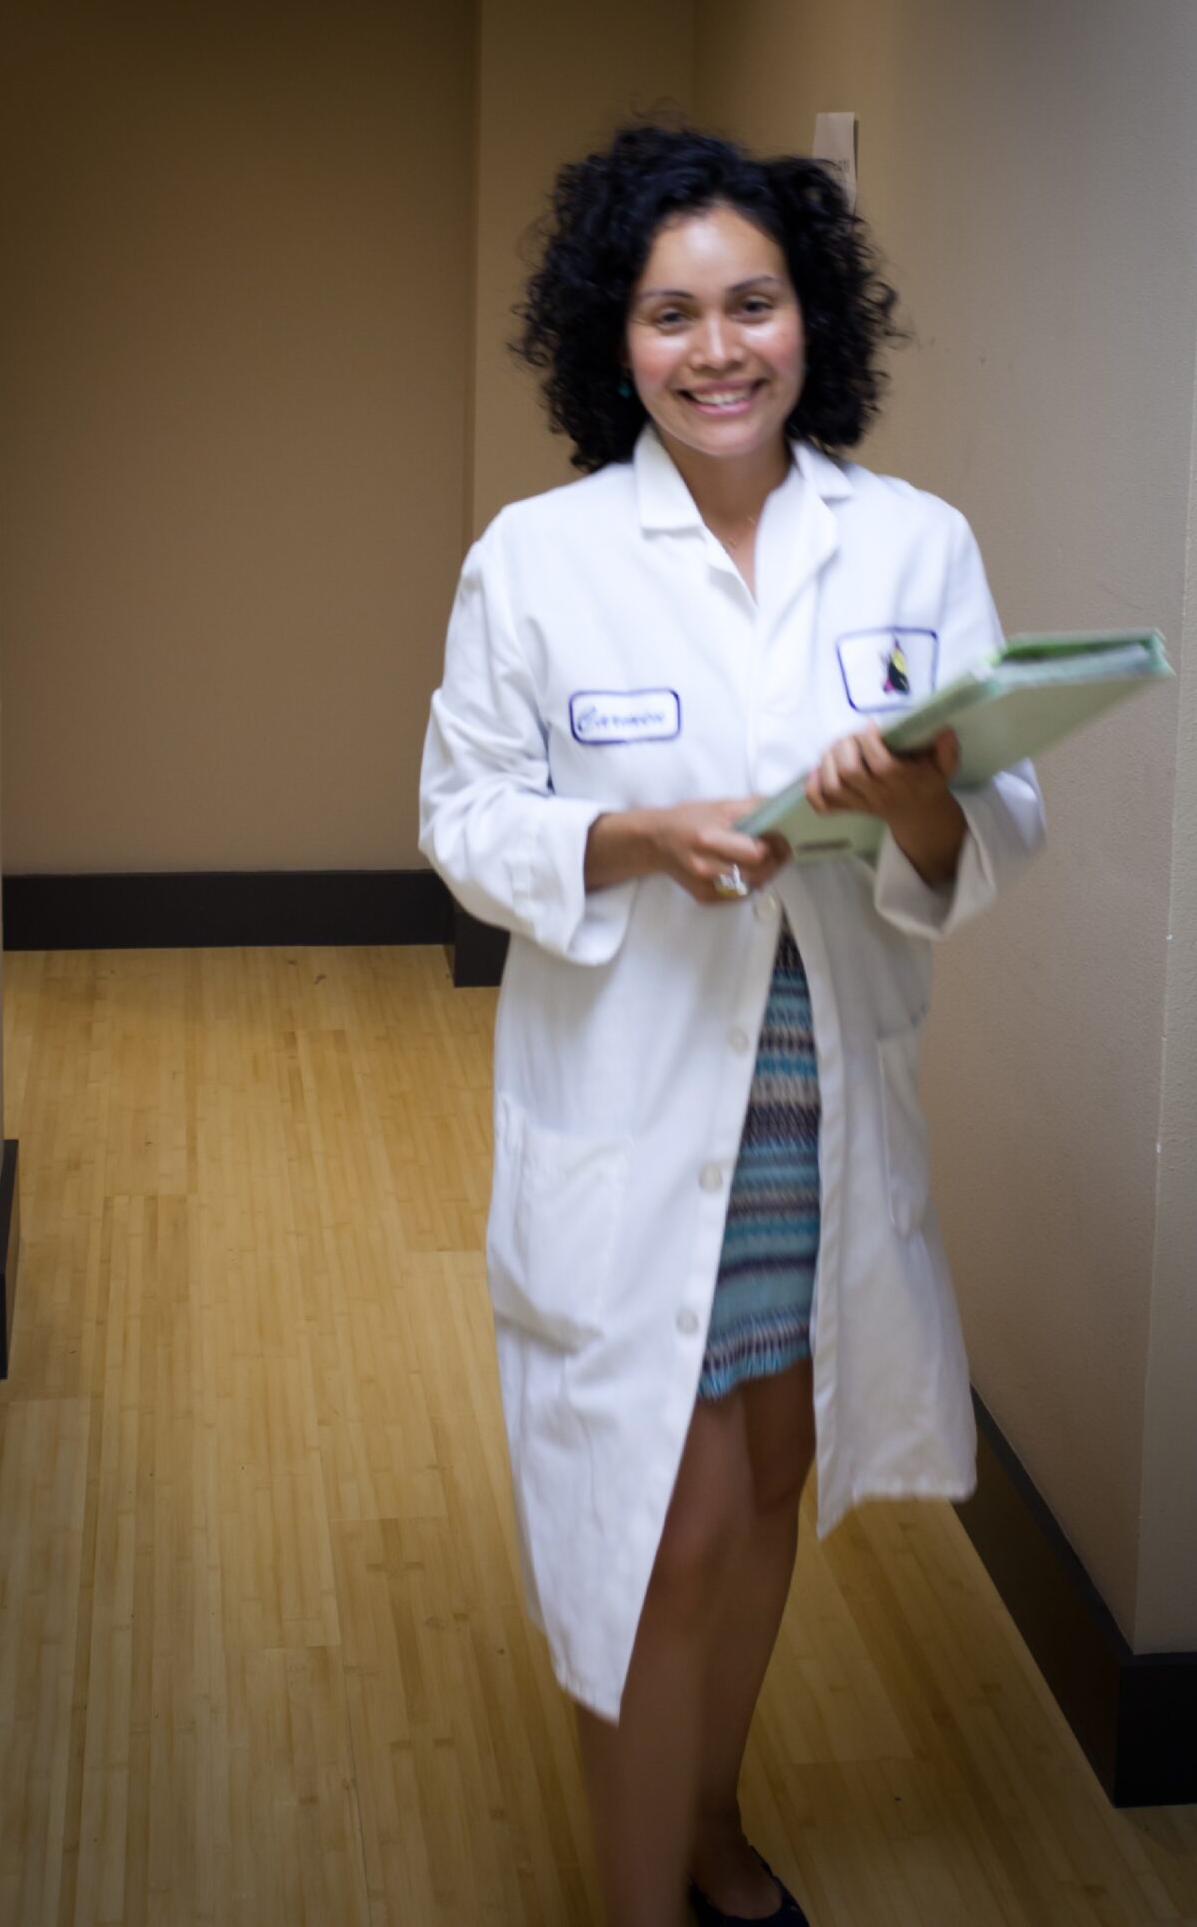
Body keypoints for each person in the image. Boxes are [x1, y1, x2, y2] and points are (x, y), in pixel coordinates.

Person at [418, 122, 1045, 1927]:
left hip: (815, 1092)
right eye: (667, 314)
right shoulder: (535, 560)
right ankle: (637, 1897)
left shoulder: (910, 545)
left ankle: (705, 1824)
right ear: (608, 341)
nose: (714, 351)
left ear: (808, 320)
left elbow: (982, 837)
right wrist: (625, 835)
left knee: (769, 1479)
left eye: (750, 305)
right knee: (661, 1533)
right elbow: (462, 823)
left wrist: (920, 791)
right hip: (629, 1100)